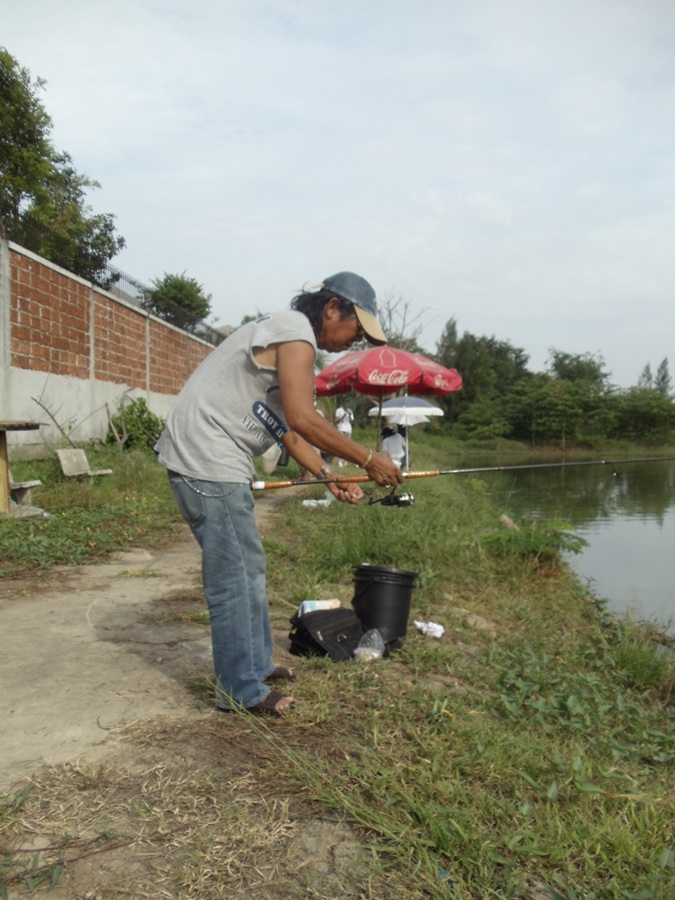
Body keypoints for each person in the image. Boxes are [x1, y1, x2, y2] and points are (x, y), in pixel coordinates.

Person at [154, 271, 403, 717]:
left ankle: (257, 667)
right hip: (206, 458)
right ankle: (239, 691)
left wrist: (329, 474)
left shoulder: (291, 342)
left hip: (214, 459)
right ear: (332, 308)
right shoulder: (295, 331)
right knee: (232, 580)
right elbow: (305, 419)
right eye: (356, 329)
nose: (356, 341)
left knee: (250, 568)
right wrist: (368, 458)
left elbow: (288, 432)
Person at [334, 402, 354, 466]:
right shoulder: (339, 410)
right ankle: (340, 461)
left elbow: (351, 422)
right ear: (344, 404)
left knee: (348, 446)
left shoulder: (350, 411)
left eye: (348, 404)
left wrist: (350, 416)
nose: (347, 405)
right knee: (340, 445)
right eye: (346, 404)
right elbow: (336, 421)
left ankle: (346, 460)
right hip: (341, 429)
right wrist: (343, 417)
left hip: (348, 429)